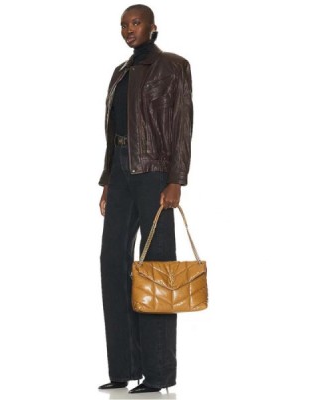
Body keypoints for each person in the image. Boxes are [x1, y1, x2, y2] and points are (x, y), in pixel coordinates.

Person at [98, 4, 193, 394]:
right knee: (112, 261)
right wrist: (108, 180)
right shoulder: (120, 72)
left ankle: (158, 373)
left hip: (154, 173)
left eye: (135, 23)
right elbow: (113, 130)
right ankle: (124, 367)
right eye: (123, 25)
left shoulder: (172, 66)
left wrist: (176, 180)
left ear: (153, 27)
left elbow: (182, 123)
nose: (128, 30)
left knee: (156, 267)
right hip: (121, 172)